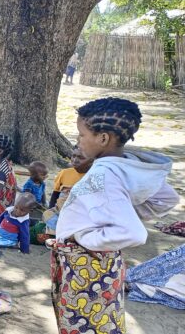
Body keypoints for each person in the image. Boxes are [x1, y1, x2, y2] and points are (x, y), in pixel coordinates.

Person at [51, 97, 178, 334]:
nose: (78, 141)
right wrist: (122, 214)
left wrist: (85, 238)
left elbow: (133, 232)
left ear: (103, 138)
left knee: (84, 323)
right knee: (103, 319)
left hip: (86, 265)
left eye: (81, 134)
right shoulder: (125, 166)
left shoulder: (102, 174)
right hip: (106, 265)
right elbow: (166, 198)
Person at [0, 192, 37, 261]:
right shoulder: (8, 211)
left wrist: (25, 250)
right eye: (16, 207)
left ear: (30, 211)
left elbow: (25, 236)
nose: (17, 211)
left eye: (22, 210)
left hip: (9, 240)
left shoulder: (23, 221)